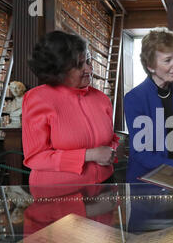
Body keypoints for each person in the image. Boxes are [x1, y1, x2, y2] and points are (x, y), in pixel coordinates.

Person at [22, 30, 120, 186]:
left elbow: (111, 139)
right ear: (59, 71)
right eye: (78, 65)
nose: (88, 69)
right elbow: (36, 157)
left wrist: (111, 151)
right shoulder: (37, 99)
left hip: (105, 186)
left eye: (88, 61)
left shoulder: (102, 99)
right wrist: (90, 155)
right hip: (59, 193)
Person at [124, 27, 173, 183]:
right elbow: (140, 153)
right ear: (150, 66)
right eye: (168, 60)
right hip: (147, 181)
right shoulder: (134, 98)